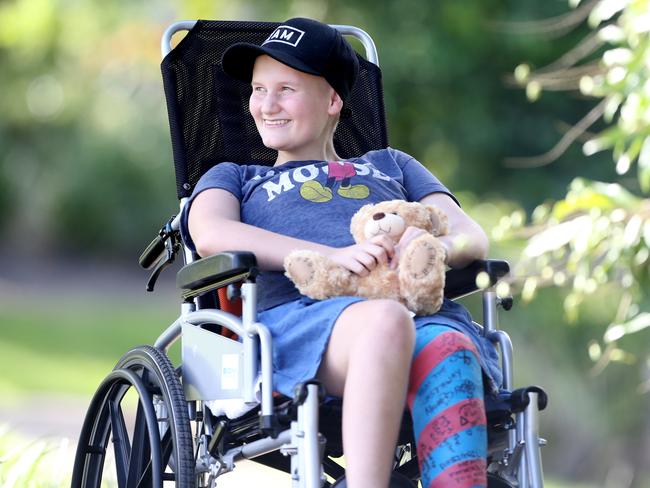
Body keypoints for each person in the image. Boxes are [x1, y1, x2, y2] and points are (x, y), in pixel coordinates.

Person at [181, 17, 502, 488]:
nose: (265, 105)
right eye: (257, 89)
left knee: (450, 347)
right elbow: (209, 232)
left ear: (332, 100)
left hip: (416, 312)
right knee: (384, 321)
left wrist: (432, 246)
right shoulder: (237, 176)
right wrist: (329, 255)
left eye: (285, 89)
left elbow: (472, 236)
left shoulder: (391, 165)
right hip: (300, 324)